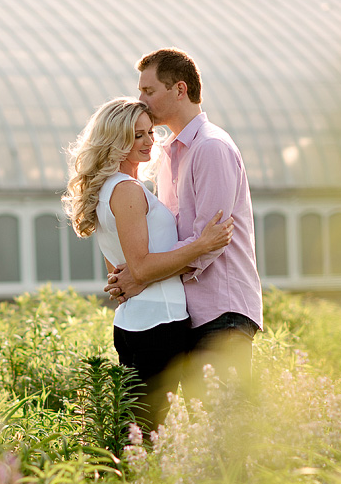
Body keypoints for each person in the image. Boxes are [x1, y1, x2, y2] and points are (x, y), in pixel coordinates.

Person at [63, 97, 233, 431]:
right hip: (158, 324)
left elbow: (119, 270)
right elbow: (138, 268)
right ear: (115, 140)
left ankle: (128, 480)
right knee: (146, 433)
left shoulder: (110, 189)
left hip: (138, 322)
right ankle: (128, 482)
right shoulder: (126, 190)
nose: (148, 141)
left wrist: (134, 276)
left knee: (141, 429)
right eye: (136, 135)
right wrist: (202, 245)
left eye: (148, 133)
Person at [106, 49, 263, 399]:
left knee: (222, 435)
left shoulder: (211, 148)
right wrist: (135, 269)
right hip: (186, 314)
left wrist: (141, 272)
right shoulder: (168, 156)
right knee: (197, 438)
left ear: (179, 89)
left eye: (149, 91)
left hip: (221, 313)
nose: (140, 99)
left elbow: (210, 242)